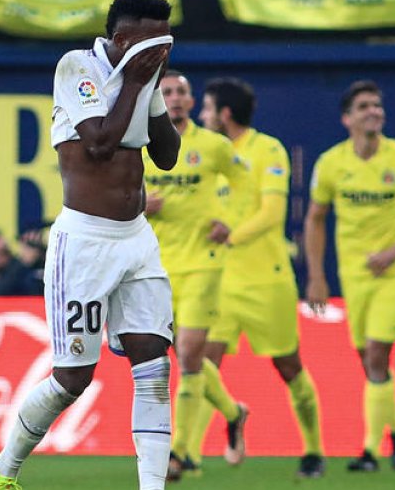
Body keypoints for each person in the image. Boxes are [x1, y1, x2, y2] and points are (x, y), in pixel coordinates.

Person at [0, 0, 181, 490]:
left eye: (166, 40)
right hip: (85, 243)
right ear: (120, 39)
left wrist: (152, 86)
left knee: (154, 365)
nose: (161, 50)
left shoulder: (147, 77)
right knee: (72, 379)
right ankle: (3, 468)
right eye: (150, 40)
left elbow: (168, 156)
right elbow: (97, 144)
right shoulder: (76, 68)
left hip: (136, 239)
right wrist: (136, 82)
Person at [192, 77, 326, 479]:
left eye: (208, 108)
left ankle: (314, 450)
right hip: (218, 279)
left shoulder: (268, 150)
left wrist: (230, 234)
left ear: (225, 114)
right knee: (199, 361)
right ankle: (188, 454)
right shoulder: (203, 152)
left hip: (266, 280)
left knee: (288, 366)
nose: (202, 115)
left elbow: (271, 215)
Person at [304, 80, 395, 472]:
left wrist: (394, 252)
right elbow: (315, 218)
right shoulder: (331, 164)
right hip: (354, 272)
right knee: (368, 360)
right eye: (364, 107)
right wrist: (316, 276)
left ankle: (369, 451)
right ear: (347, 119)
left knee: (378, 353)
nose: (373, 112)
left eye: (377, 106)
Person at [140, 70, 247, 481]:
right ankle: (234, 413)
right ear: (156, 100)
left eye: (182, 91)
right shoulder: (142, 146)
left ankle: (180, 452)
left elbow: (246, 186)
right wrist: (140, 203)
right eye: (167, 92)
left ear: (190, 99)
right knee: (184, 357)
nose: (176, 98)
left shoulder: (214, 147)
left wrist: (230, 221)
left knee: (187, 355)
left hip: (204, 261)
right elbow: (119, 193)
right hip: (157, 266)